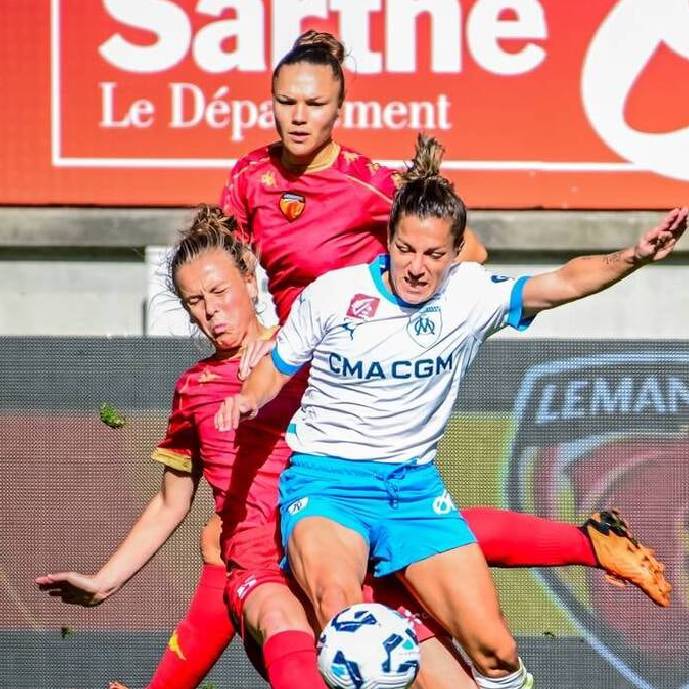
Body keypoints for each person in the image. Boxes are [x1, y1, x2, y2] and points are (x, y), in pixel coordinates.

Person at [218, 133, 687, 689]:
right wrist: (250, 395)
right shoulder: (333, 294)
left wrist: (632, 256)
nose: (417, 267)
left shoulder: (470, 295)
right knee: (344, 619)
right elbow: (278, 363)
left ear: (457, 251)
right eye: (406, 249)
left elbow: (563, 281)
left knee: (495, 651)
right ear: (387, 240)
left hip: (413, 492)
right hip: (327, 483)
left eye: (435, 254)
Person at [35, 207, 478, 689]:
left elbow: (459, 260)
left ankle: (576, 545)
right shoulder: (194, 388)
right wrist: (104, 582)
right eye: (195, 301)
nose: (211, 311)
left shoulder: (312, 343)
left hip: (351, 557)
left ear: (250, 280)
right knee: (283, 618)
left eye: (220, 292)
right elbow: (170, 502)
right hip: (262, 573)